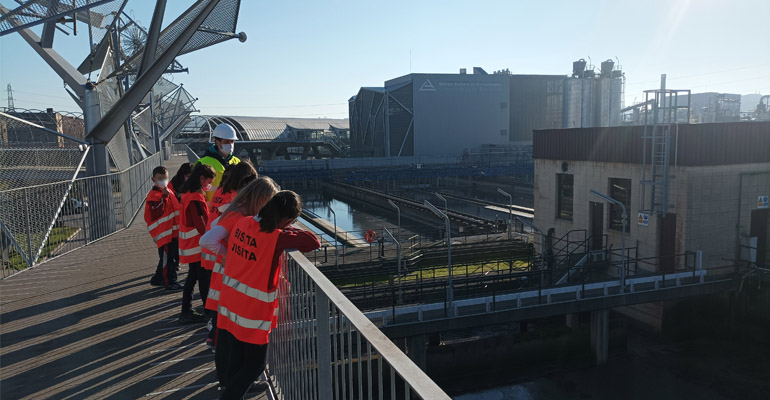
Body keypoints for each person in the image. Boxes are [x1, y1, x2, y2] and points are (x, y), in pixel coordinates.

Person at [216, 191, 320, 399]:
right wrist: (288, 228)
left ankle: (231, 391)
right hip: (252, 312)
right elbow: (313, 242)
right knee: (255, 365)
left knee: (236, 357)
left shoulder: (243, 223)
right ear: (287, 220)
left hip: (230, 302)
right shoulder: (276, 237)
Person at [199, 177, 279, 386]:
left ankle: (227, 381)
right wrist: (229, 256)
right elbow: (207, 240)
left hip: (228, 282)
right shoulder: (239, 216)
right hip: (227, 281)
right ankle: (228, 382)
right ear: (261, 198)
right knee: (226, 338)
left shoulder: (236, 210)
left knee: (226, 336)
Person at [178, 163, 216, 324]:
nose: (210, 186)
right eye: (209, 182)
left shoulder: (187, 193)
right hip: (198, 246)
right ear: (201, 179)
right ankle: (207, 310)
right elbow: (202, 224)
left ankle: (186, 310)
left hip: (190, 245)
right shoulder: (196, 198)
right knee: (202, 278)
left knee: (192, 278)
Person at [145, 166, 182, 290]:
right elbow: (156, 212)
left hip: (172, 232)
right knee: (168, 260)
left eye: (165, 178)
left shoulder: (169, 191)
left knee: (168, 258)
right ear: (153, 180)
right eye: (160, 179)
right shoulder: (154, 195)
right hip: (164, 233)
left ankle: (158, 278)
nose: (163, 181)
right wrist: (164, 197)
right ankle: (170, 281)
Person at [196, 123, 241, 202]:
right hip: (211, 212)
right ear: (217, 142)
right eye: (227, 142)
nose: (230, 145)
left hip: (232, 211)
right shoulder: (203, 163)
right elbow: (194, 192)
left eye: (232, 141)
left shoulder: (238, 162)